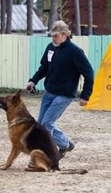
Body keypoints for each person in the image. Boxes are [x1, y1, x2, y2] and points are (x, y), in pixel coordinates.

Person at [26, 20, 94, 160]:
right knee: (42, 125)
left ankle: (48, 154)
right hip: (49, 93)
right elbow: (44, 68)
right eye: (52, 36)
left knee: (46, 125)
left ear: (65, 35)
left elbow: (89, 73)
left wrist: (85, 95)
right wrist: (33, 80)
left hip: (64, 95)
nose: (53, 38)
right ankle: (65, 144)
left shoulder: (75, 52)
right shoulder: (51, 47)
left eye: (56, 36)